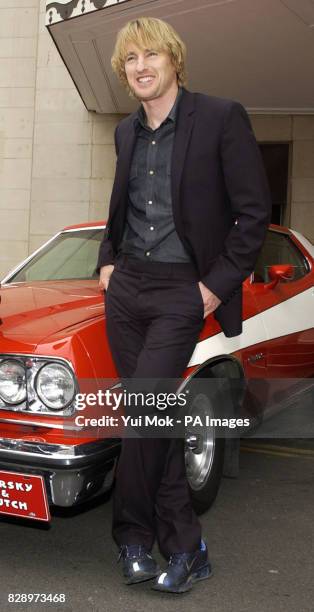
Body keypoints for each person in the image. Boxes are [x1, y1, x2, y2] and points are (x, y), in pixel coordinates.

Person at [97, 16, 271, 593]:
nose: (141, 66)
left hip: (182, 290)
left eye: (151, 55)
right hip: (127, 291)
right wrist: (106, 260)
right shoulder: (126, 132)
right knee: (155, 418)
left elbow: (253, 215)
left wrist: (213, 286)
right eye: (130, 60)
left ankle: (133, 538)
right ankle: (187, 546)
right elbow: (120, 205)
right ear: (124, 73)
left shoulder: (221, 118)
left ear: (174, 59)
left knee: (143, 419)